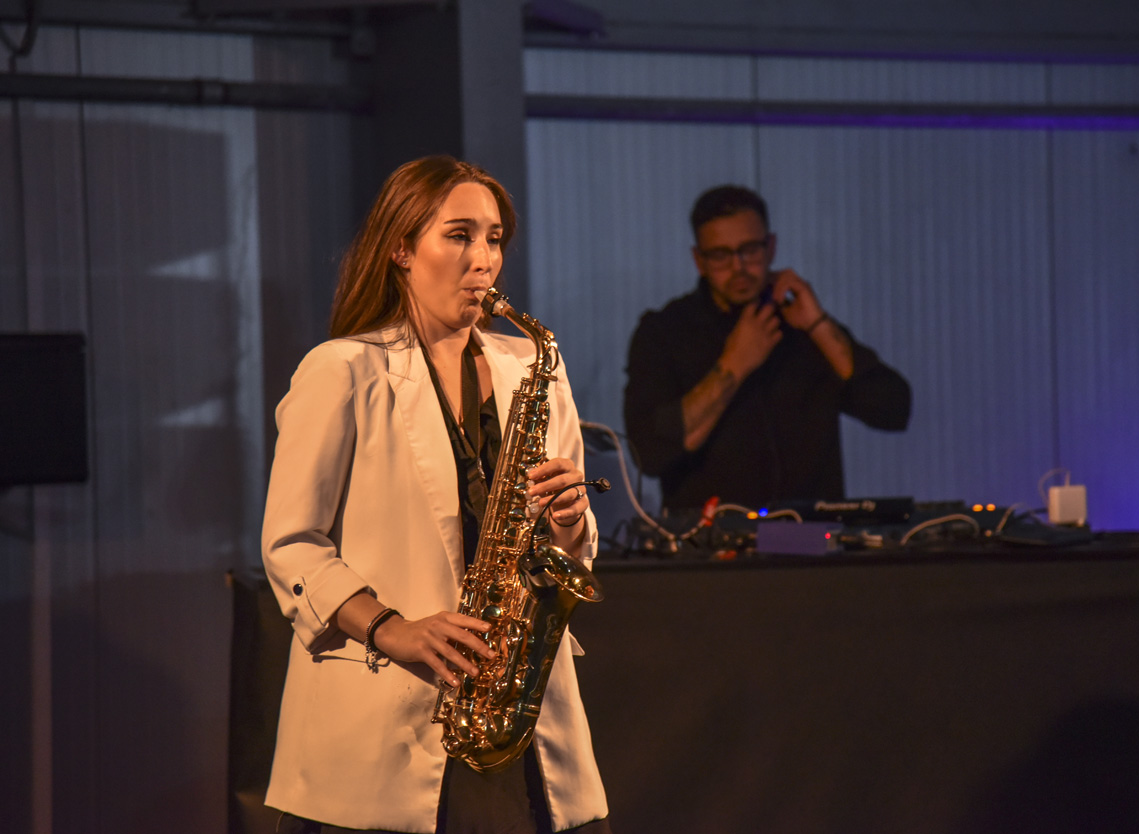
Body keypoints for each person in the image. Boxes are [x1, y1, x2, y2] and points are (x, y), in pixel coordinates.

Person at [261, 156, 611, 834]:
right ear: (400, 248)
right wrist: (393, 628)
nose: (484, 260)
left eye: (494, 239)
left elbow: (570, 551)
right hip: (380, 726)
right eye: (459, 235)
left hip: (518, 712)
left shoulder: (532, 365)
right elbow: (291, 546)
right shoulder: (343, 369)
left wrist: (570, 522)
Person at [624, 184, 911, 511]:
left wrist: (818, 325)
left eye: (750, 250)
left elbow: (893, 409)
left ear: (771, 247)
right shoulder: (664, 332)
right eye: (720, 255)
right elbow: (649, 453)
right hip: (710, 537)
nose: (738, 267)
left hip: (809, 535)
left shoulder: (800, 325)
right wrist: (735, 364)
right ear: (699, 260)